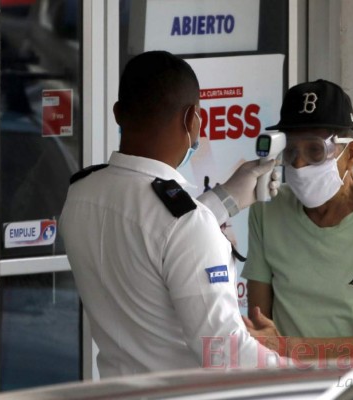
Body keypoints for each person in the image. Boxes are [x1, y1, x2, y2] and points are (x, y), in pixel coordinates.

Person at [59, 50, 284, 378]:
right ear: (192, 119)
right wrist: (303, 372)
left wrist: (226, 198)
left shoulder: (81, 193)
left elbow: (150, 233)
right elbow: (224, 353)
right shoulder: (187, 222)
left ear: (118, 113)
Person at [241, 79, 353, 362]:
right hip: (285, 386)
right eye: (291, 151)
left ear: (351, 154)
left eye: (315, 150)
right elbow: (260, 323)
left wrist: (289, 348)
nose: (300, 165)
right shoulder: (268, 209)